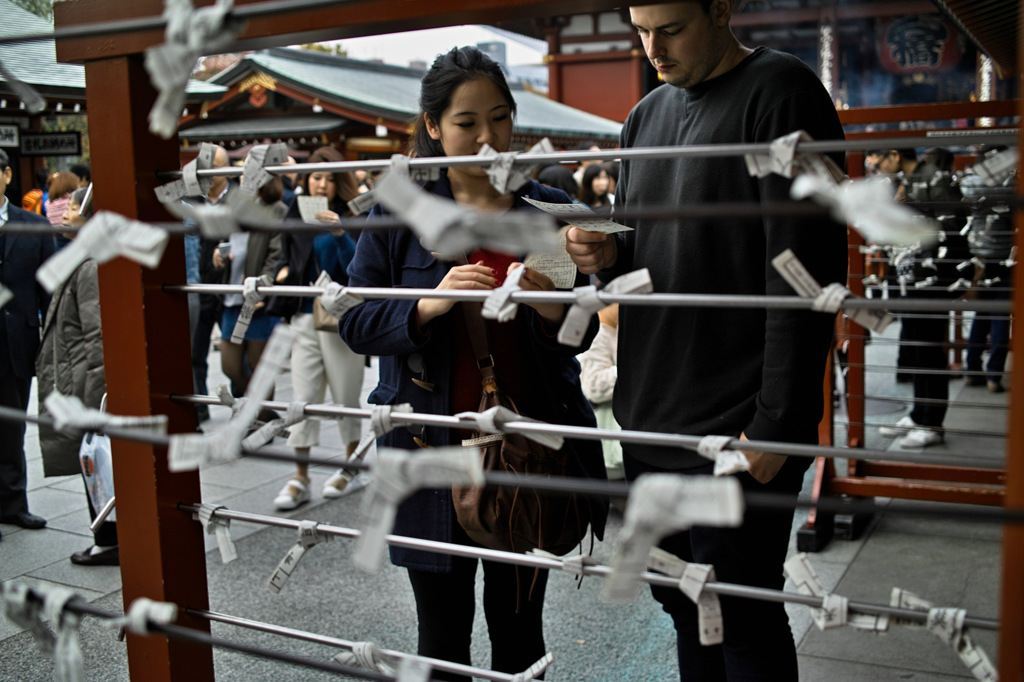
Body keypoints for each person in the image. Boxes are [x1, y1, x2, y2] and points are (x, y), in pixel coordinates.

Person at [565, 2, 847, 679]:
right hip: (651, 414)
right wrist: (599, 256)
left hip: (740, 421)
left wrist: (777, 426)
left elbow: (806, 270)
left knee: (742, 611)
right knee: (683, 602)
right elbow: (640, 277)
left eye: (671, 28)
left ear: (721, 9)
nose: (653, 49)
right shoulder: (644, 116)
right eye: (641, 30)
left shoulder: (782, 92)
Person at [339, 46, 607, 680]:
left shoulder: (547, 208)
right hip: (428, 452)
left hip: (528, 447)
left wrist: (549, 307)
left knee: (520, 632)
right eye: (466, 123)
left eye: (501, 118)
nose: (488, 138)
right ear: (433, 126)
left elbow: (579, 331)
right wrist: (427, 307)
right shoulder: (399, 209)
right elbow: (354, 319)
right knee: (441, 637)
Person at [271, 146, 366, 510]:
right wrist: (280, 274)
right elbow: (287, 257)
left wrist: (340, 232)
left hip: (341, 316)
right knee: (302, 398)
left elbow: (358, 268)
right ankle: (299, 476)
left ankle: (350, 464)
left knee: (346, 395)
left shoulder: (353, 214)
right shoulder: (295, 215)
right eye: (315, 176)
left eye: (328, 177)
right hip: (302, 314)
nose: (321, 183)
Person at [36, 188, 117, 564]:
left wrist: (95, 395)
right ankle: (107, 537)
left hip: (85, 380)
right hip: (77, 375)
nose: (64, 212)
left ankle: (108, 539)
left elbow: (97, 334)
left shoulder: (89, 264)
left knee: (97, 462)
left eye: (72, 206)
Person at [0, 148, 56, 539]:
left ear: (6, 175)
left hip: (17, 340)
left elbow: (47, 288)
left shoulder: (33, 225)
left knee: (12, 427)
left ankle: (14, 505)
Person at [211, 173, 285, 398]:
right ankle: (260, 413)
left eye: (251, 175)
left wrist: (263, 288)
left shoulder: (276, 210)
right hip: (232, 297)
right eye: (242, 176)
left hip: (257, 299)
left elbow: (276, 256)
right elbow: (227, 242)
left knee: (258, 367)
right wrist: (218, 254)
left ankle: (262, 420)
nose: (244, 180)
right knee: (230, 366)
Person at [185, 145, 233, 423]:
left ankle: (248, 409)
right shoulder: (189, 199)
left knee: (236, 358)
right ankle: (199, 407)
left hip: (230, 287)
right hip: (199, 285)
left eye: (215, 167)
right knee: (195, 354)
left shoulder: (239, 197)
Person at [578, 302, 624, 482]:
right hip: (604, 426)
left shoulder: (613, 331)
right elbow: (593, 385)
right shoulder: (599, 334)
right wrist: (631, 369)